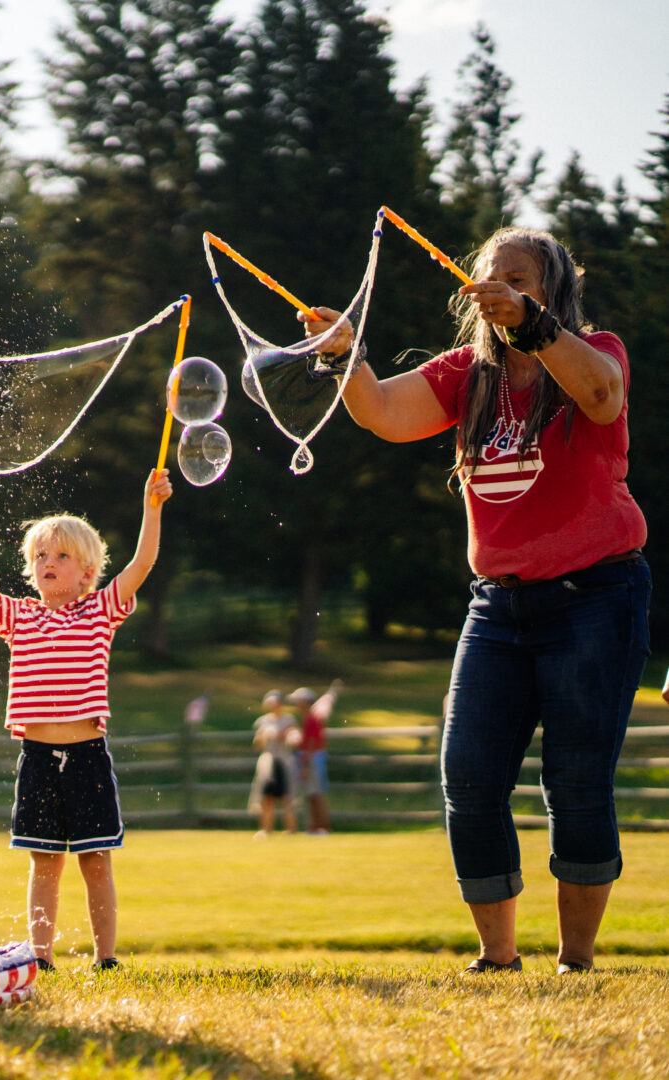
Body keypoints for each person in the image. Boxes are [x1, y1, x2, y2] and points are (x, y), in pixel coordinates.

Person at [310, 226, 649, 974]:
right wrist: (345, 354)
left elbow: (600, 397)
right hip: (497, 606)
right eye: (489, 278)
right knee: (467, 775)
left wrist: (532, 327)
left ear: (552, 291)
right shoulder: (465, 372)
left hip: (595, 595)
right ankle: (497, 959)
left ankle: (576, 962)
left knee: (576, 782)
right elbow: (385, 415)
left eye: (518, 278)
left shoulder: (598, 353)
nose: (496, 288)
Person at [0, 468, 172, 973]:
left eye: (62, 556)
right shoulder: (20, 617)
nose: (48, 563)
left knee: (96, 861)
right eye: (40, 555)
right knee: (45, 862)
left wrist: (152, 509)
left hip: (86, 756)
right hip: (38, 757)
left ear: (87, 572)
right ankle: (41, 958)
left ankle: (106, 959)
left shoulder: (101, 610)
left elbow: (143, 562)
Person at [249, 691, 300, 836]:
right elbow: (257, 745)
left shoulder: (289, 720)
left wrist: (286, 734)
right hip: (268, 762)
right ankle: (266, 829)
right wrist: (263, 736)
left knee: (287, 796)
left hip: (284, 761)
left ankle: (291, 829)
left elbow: (295, 739)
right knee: (266, 796)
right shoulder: (263, 721)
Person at [292, 682, 340, 835]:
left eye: (298, 701)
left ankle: (323, 827)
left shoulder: (312, 718)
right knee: (311, 794)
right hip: (309, 757)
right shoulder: (308, 718)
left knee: (316, 794)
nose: (295, 705)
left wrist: (305, 765)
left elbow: (312, 743)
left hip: (311, 758)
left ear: (305, 702)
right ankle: (314, 826)